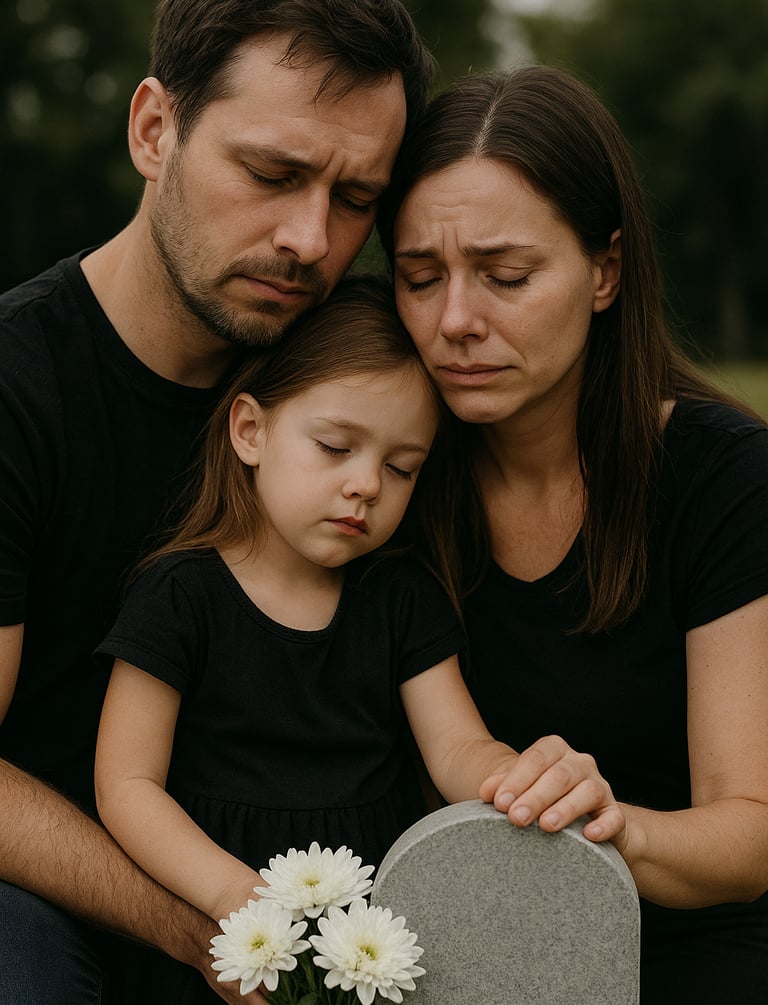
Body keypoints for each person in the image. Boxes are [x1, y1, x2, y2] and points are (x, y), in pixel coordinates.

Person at [0, 1, 432, 1001]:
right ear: (155, 129)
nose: (311, 239)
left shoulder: (355, 402)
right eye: (273, 173)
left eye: (356, 197)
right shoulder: (20, 385)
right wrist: (213, 931)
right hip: (54, 904)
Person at [381, 65, 768, 1004]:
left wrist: (610, 825)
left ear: (605, 270)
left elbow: (749, 833)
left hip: (694, 949)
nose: (456, 321)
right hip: (455, 953)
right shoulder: (386, 477)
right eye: (420, 278)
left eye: (506, 276)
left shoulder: (721, 474)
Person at [92, 276, 553, 1002]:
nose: (366, 484)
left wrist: (514, 781)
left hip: (373, 944)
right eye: (336, 446)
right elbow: (126, 783)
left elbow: (458, 747)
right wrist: (233, 898)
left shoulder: (400, 598)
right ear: (251, 430)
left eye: (401, 467)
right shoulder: (180, 594)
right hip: (218, 931)